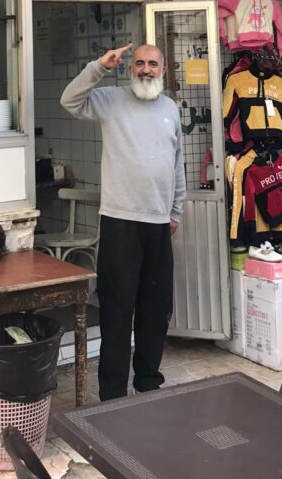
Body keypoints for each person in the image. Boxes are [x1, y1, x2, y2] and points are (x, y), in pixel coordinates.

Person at [60, 43, 185, 401]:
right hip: (119, 222)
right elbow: (69, 101)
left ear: (163, 70)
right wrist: (100, 66)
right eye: (140, 63)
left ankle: (148, 381)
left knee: (155, 310)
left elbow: (177, 163)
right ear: (130, 68)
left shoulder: (170, 108)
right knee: (117, 311)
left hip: (159, 223)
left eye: (153, 64)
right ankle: (113, 394)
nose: (146, 69)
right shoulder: (111, 99)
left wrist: (175, 211)